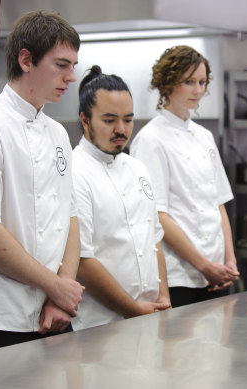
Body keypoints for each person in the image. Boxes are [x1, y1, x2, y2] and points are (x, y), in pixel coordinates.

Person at [0, 10, 84, 354]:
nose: (72, 75)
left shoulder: (56, 133)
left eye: (73, 65)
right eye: (62, 65)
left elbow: (69, 218)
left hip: (52, 312)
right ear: (26, 60)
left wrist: (62, 292)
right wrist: (55, 286)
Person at [131, 45, 239, 307]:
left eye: (202, 82)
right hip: (178, 275)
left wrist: (229, 261)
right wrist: (203, 265)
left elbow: (218, 203)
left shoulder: (204, 136)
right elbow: (157, 216)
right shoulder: (150, 139)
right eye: (189, 81)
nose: (198, 90)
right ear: (167, 83)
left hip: (216, 272)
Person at [71, 65, 171, 330]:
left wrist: (164, 299)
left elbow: (154, 240)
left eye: (128, 119)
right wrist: (132, 309)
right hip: (99, 324)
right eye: (109, 120)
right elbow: (82, 261)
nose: (121, 129)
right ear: (85, 120)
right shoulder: (74, 172)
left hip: (149, 317)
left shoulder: (137, 167)